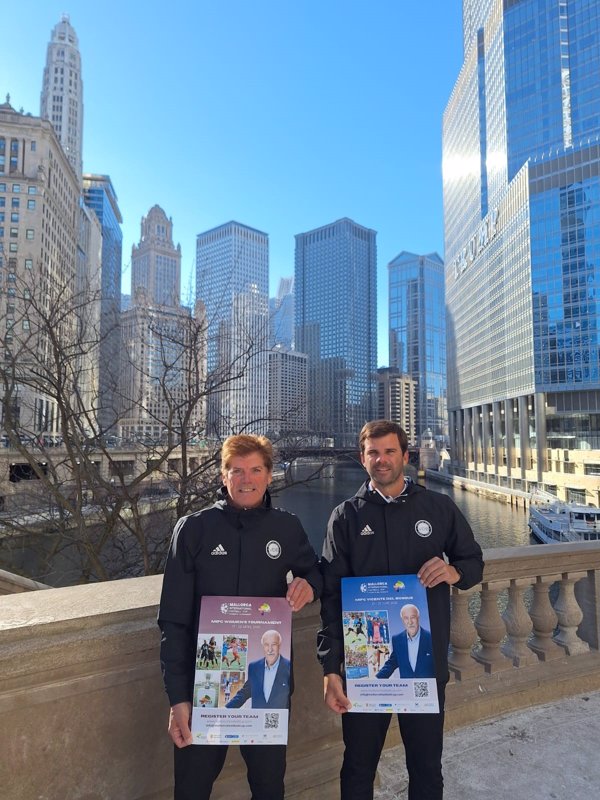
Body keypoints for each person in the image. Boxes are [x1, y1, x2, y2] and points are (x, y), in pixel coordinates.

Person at [318, 420, 484, 800]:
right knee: (358, 767)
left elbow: (473, 562)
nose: (382, 460)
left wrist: (453, 570)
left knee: (426, 767)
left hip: (423, 668)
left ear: (405, 457)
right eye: (373, 452)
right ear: (362, 459)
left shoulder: (437, 507)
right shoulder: (345, 517)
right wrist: (331, 668)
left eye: (390, 451)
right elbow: (331, 598)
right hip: (364, 668)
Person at [158, 434, 322, 800]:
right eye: (236, 471)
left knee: (268, 787)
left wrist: (309, 585)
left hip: (268, 687)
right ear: (223, 475)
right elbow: (173, 619)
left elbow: (316, 572)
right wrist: (177, 697)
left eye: (255, 470)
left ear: (269, 475)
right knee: (191, 788)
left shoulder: (287, 527)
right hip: (205, 684)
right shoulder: (193, 529)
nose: (246, 479)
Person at [226, 629, 291, 709]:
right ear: (263, 646)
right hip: (258, 720)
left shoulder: (289, 667)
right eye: (266, 645)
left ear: (279, 646)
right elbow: (245, 692)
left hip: (280, 720)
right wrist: (226, 709)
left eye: (274, 644)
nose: (270, 649)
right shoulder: (254, 667)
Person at [376, 604, 434, 679]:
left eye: (413, 617)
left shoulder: (431, 638)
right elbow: (392, 663)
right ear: (402, 620)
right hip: (407, 688)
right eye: (406, 618)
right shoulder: (397, 639)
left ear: (418, 618)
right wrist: (377, 679)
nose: (410, 622)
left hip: (428, 687)